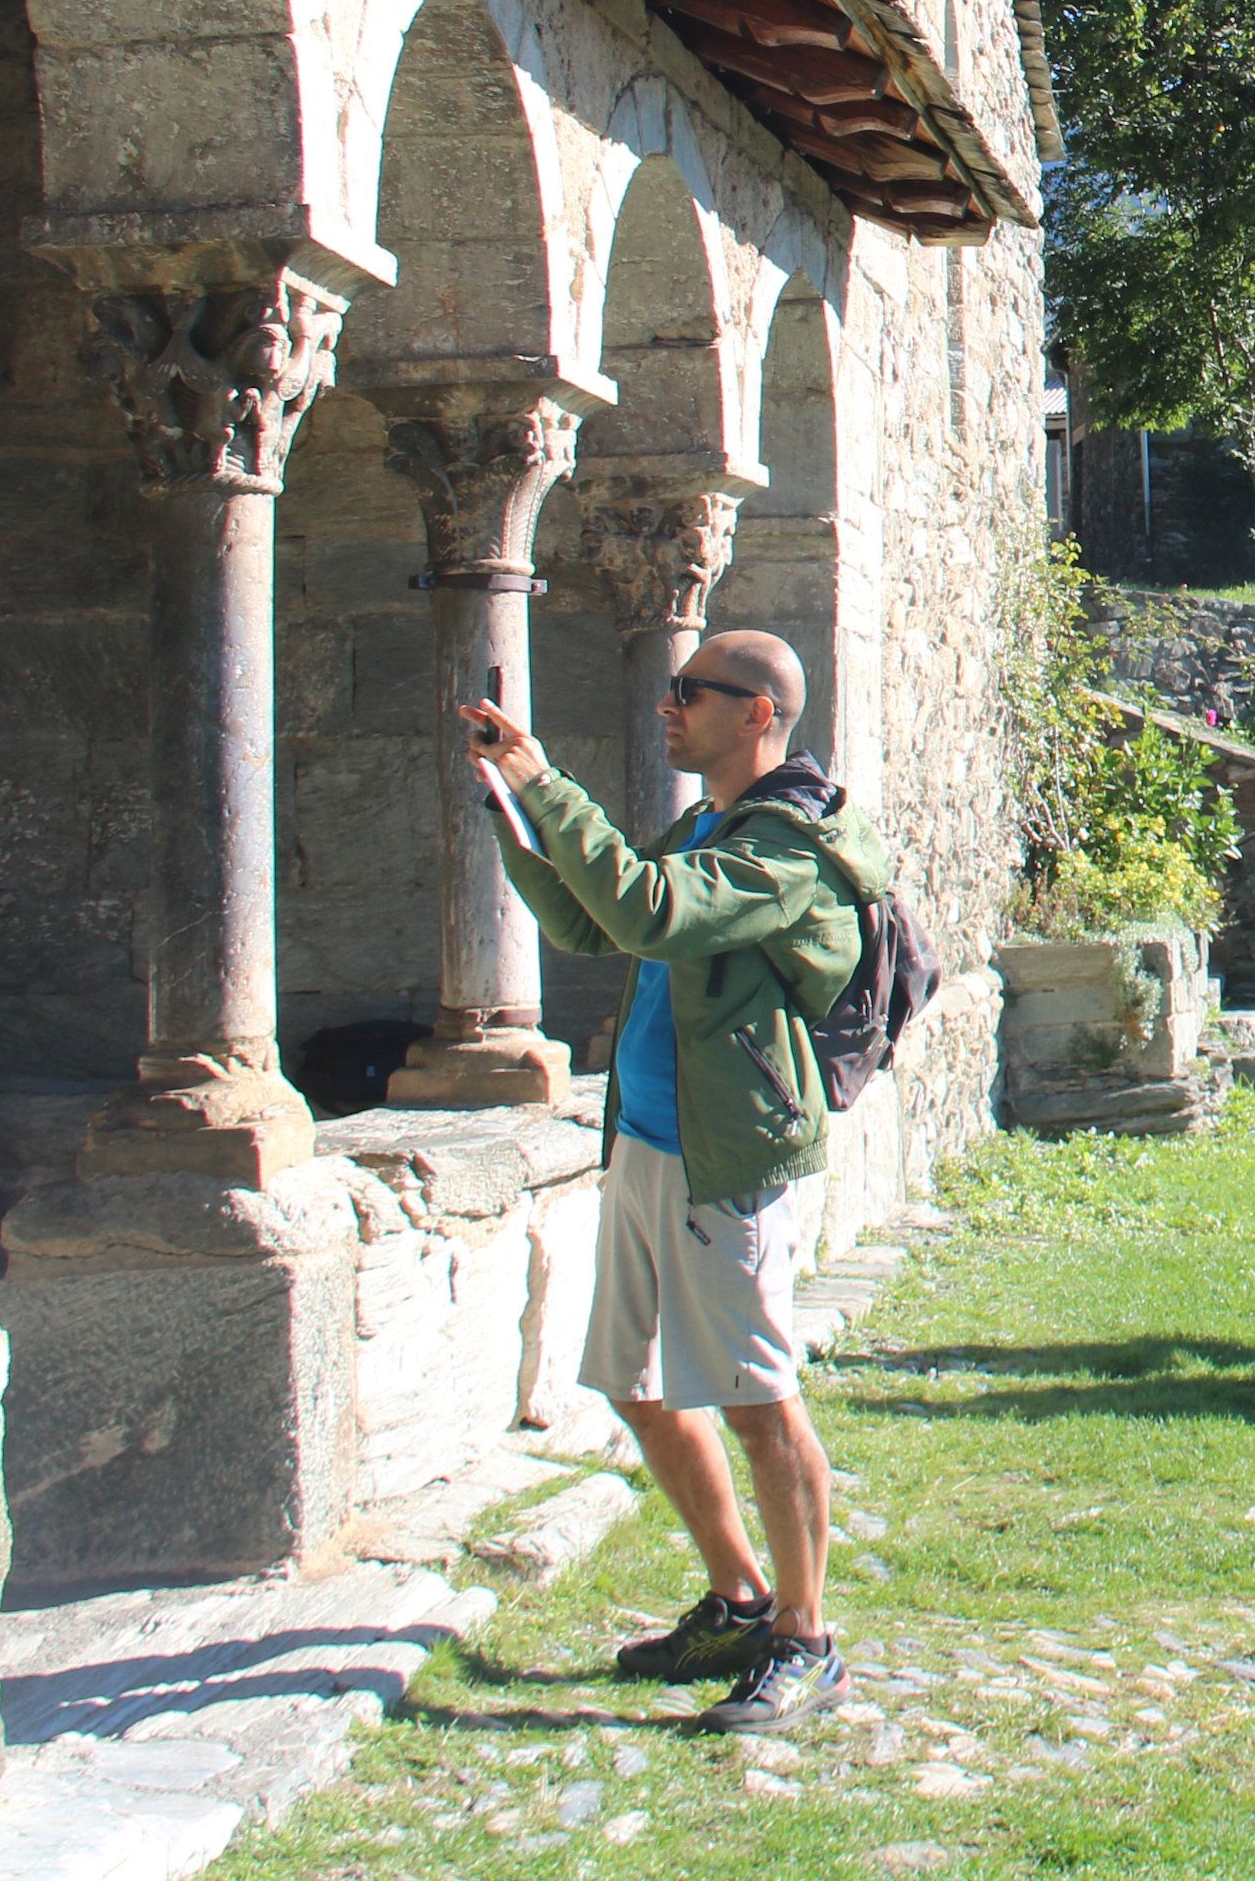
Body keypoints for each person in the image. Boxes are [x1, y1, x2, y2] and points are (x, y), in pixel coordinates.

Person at [461, 631, 869, 1734]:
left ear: (758, 714)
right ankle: (742, 1598)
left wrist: (550, 780)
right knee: (636, 1383)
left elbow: (649, 910)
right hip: (646, 1141)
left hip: (725, 1159)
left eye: (692, 692)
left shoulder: (787, 848)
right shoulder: (705, 826)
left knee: (753, 1393)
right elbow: (590, 918)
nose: (667, 706)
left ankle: (808, 1638)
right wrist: (514, 809)